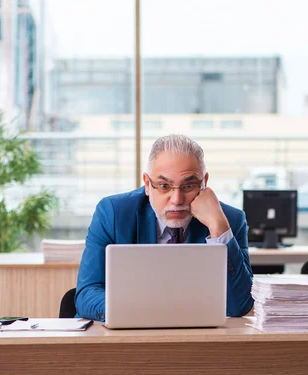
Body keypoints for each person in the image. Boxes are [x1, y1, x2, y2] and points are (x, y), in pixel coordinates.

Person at [75, 134, 254, 321]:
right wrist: (137, 311)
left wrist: (219, 229)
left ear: (204, 183)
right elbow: (86, 294)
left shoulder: (230, 220)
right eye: (164, 186)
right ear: (147, 184)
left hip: (197, 340)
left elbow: (239, 305)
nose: (176, 200)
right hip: (126, 334)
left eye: (188, 186)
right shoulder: (113, 213)